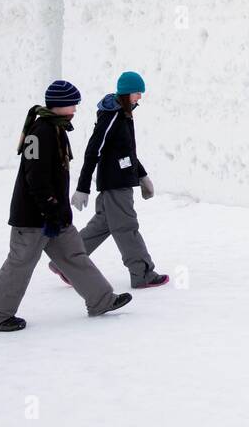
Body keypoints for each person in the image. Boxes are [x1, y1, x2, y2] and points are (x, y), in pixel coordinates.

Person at [0, 80, 131, 331]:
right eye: (73, 103)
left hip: (56, 215)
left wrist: (59, 211)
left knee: (74, 255)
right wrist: (50, 206)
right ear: (59, 105)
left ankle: (101, 300)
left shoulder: (55, 128)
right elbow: (35, 176)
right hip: (34, 217)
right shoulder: (41, 131)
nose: (76, 108)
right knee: (19, 264)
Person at [58, 71, 168, 289]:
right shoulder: (112, 116)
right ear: (127, 92)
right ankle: (142, 273)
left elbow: (127, 151)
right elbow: (93, 151)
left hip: (122, 180)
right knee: (127, 227)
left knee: (103, 225)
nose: (140, 97)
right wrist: (82, 188)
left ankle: (65, 263)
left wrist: (142, 175)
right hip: (115, 183)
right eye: (137, 92)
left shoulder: (124, 114)